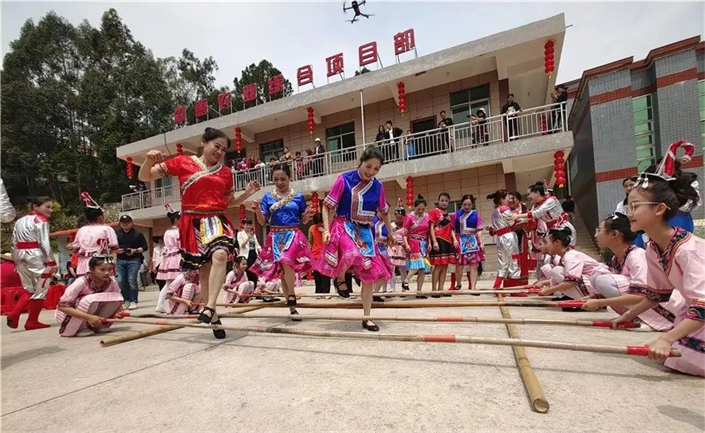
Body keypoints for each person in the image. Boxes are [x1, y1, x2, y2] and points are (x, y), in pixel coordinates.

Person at [138, 127, 261, 339]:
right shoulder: (182, 162)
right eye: (217, 146)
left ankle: (210, 306)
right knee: (204, 271)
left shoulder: (226, 172)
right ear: (204, 142)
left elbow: (229, 202)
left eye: (224, 150)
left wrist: (247, 193)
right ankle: (214, 318)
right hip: (192, 222)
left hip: (216, 220)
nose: (220, 152)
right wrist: (149, 160)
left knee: (220, 255)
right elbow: (145, 175)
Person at [612, 140, 704, 377]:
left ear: (659, 209)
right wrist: (627, 315)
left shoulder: (686, 249)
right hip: (694, 311)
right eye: (629, 207)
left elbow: (703, 304)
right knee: (672, 356)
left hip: (700, 310)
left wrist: (666, 338)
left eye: (635, 206)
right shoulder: (653, 247)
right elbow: (657, 294)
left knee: (678, 355)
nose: (629, 213)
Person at [315, 145, 393, 331]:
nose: (371, 172)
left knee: (369, 277)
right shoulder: (344, 180)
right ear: (361, 162)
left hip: (365, 232)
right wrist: (326, 230)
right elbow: (326, 206)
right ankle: (340, 278)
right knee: (351, 252)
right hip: (344, 226)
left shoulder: (378, 187)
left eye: (376, 169)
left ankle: (367, 317)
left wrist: (391, 233)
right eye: (368, 166)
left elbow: (384, 212)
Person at [580, 213, 679, 331]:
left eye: (599, 230)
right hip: (648, 300)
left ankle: (649, 320)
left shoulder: (636, 256)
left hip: (665, 306)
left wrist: (600, 303)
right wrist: (597, 297)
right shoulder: (617, 258)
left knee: (603, 280)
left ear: (614, 234)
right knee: (597, 277)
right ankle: (633, 317)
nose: (596, 234)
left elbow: (642, 295)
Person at [252, 163, 315, 320]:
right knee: (283, 272)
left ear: (289, 178)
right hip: (276, 236)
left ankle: (292, 294)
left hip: (293, 234)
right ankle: (292, 307)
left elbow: (303, 220)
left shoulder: (298, 197)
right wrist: (258, 211)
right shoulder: (267, 198)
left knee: (287, 262)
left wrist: (307, 215)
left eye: (283, 179)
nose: (279, 182)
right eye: (276, 179)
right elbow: (262, 222)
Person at [7, 196, 58, 330]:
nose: (51, 210)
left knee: (29, 289)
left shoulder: (19, 221)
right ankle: (31, 320)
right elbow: (44, 243)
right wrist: (51, 262)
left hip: (20, 256)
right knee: (41, 289)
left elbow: (13, 243)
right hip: (36, 256)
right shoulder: (41, 221)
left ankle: (15, 314)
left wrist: (15, 261)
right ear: (35, 206)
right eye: (47, 207)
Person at [54, 255, 124, 337]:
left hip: (91, 315)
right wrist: (89, 317)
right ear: (91, 270)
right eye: (102, 269)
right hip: (70, 315)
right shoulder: (81, 282)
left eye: (110, 269)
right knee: (92, 301)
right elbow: (62, 306)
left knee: (115, 298)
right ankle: (80, 328)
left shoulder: (112, 282)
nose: (107, 273)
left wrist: (120, 312)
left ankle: (98, 325)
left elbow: (118, 299)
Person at [535, 228, 610, 302]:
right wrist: (547, 287)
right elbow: (555, 281)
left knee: (556, 271)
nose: (545, 246)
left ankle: (587, 299)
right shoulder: (564, 256)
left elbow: (571, 282)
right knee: (557, 271)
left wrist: (548, 290)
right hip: (595, 284)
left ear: (557, 243)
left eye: (546, 243)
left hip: (599, 285)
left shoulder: (570, 256)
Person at [509, 181, 576, 246]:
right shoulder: (535, 206)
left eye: (529, 194)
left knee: (566, 251)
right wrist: (521, 222)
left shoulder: (551, 200)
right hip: (552, 232)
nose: (527, 197)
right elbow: (530, 217)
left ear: (537, 193)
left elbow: (536, 213)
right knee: (550, 253)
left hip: (563, 229)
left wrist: (518, 216)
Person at [69, 193, 119, 276]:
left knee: (84, 283)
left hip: (83, 264)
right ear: (100, 217)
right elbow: (114, 248)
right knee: (106, 283)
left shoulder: (81, 230)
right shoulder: (107, 229)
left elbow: (75, 248)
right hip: (101, 263)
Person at [487, 190, 521, 289]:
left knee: (503, 262)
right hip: (508, 236)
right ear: (502, 199)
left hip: (500, 238)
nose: (509, 200)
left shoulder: (495, 211)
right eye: (507, 198)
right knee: (514, 259)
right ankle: (515, 289)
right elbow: (512, 222)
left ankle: (497, 286)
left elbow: (494, 228)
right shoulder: (505, 209)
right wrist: (519, 218)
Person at [114, 214, 148, 311]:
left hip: (134, 260)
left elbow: (145, 247)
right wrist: (116, 251)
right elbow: (111, 246)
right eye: (123, 222)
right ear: (120, 223)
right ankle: (126, 299)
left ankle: (133, 300)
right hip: (120, 260)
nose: (125, 224)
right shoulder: (116, 234)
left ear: (132, 223)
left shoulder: (138, 234)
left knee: (131, 280)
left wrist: (135, 250)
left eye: (128, 222)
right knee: (120, 280)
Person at [451, 194, 484, 291]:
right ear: (462, 204)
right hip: (460, 240)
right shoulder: (456, 215)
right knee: (459, 265)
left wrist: (481, 242)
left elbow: (479, 230)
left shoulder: (476, 215)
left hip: (472, 241)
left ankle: (473, 287)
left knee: (473, 265)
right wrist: (454, 239)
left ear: (472, 204)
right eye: (465, 204)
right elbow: (451, 229)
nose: (467, 207)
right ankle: (458, 284)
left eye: (469, 205)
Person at [429, 192, 457, 297]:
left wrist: (455, 240)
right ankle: (434, 290)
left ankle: (441, 289)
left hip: (448, 241)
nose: (444, 202)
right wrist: (434, 241)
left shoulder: (448, 215)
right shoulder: (434, 212)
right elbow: (431, 227)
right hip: (438, 239)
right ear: (438, 201)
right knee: (438, 266)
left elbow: (451, 230)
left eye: (446, 201)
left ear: (448, 202)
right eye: (442, 200)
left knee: (445, 266)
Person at [403, 195, 431, 298]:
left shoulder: (427, 216)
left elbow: (429, 232)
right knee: (418, 264)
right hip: (413, 242)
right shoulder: (409, 217)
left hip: (424, 243)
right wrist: (406, 244)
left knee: (422, 269)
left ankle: (419, 292)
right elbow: (404, 233)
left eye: (423, 209)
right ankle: (406, 280)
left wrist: (430, 243)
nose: (421, 211)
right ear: (415, 207)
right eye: (419, 209)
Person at [155, 207, 181, 313]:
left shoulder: (166, 232)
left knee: (168, 283)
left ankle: (160, 304)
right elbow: (180, 245)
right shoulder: (178, 231)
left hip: (168, 258)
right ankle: (177, 305)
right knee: (179, 281)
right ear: (176, 219)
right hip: (177, 257)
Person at [373, 211, 394, 300]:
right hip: (373, 249)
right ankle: (372, 293)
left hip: (384, 250)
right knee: (375, 272)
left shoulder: (388, 223)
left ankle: (376, 293)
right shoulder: (372, 220)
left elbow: (390, 238)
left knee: (384, 272)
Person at [309, 213, 331, 294]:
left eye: (321, 223)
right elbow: (310, 241)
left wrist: (324, 231)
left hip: (325, 255)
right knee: (317, 275)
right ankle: (318, 292)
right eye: (317, 223)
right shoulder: (312, 228)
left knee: (325, 275)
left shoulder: (328, 228)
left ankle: (326, 292)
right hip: (315, 255)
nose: (319, 225)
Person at [388, 202, 408, 292]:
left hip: (402, 248)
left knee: (403, 268)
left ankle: (404, 287)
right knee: (392, 268)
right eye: (397, 218)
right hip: (393, 247)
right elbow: (389, 236)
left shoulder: (406, 225)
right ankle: (392, 287)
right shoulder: (392, 225)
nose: (399, 219)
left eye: (401, 218)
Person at [238, 219, 262, 285]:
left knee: (254, 270)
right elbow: (242, 245)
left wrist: (260, 250)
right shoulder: (240, 234)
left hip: (253, 254)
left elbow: (257, 244)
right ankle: (247, 285)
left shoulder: (253, 234)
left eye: (249, 225)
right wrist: (248, 238)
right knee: (247, 270)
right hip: (246, 255)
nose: (248, 226)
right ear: (243, 225)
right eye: (247, 225)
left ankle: (254, 285)